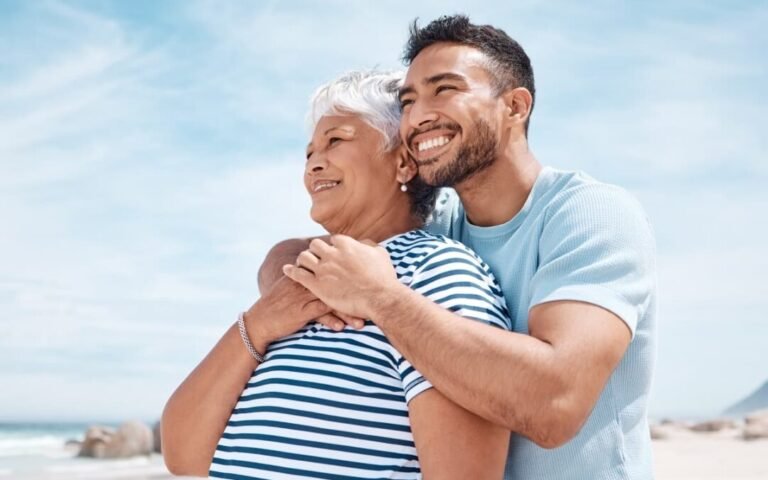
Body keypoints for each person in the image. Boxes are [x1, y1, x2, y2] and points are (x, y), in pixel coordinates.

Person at [276, 15, 658, 480]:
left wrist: (380, 299)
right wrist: (303, 294)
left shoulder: (590, 213)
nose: (417, 117)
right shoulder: (440, 226)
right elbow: (292, 254)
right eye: (409, 100)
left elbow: (554, 403)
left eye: (445, 89)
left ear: (515, 107)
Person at [162, 70, 512, 479]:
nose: (313, 165)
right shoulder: (298, 281)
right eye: (309, 153)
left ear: (402, 163)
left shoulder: (435, 271)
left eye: (336, 141)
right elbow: (182, 455)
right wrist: (258, 325)